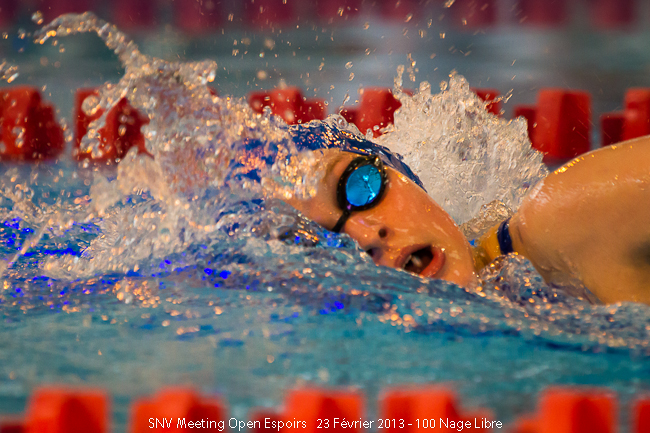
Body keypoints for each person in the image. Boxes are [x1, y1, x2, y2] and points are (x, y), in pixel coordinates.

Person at [286, 124, 650, 305]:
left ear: (406, 177)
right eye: (326, 243)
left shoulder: (560, 220)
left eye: (358, 186)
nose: (367, 237)